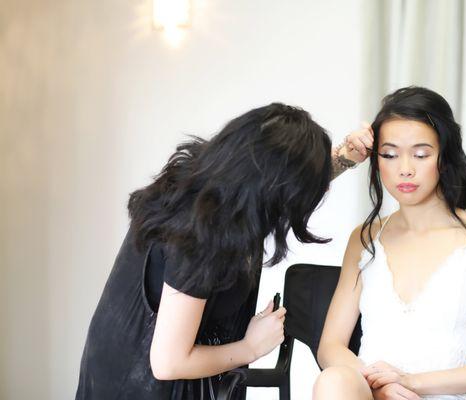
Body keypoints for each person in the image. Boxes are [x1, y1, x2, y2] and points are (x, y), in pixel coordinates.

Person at [75, 102, 373, 400]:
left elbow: (279, 181)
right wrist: (250, 347)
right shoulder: (202, 236)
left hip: (117, 358)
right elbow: (168, 362)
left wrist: (343, 158)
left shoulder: (214, 184)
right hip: (139, 386)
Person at [314, 87, 466, 400]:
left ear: (444, 158)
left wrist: (409, 382)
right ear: (376, 162)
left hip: (434, 395)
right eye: (389, 155)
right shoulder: (363, 239)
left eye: (420, 154)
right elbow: (330, 347)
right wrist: (380, 386)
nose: (405, 168)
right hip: (369, 394)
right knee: (333, 381)